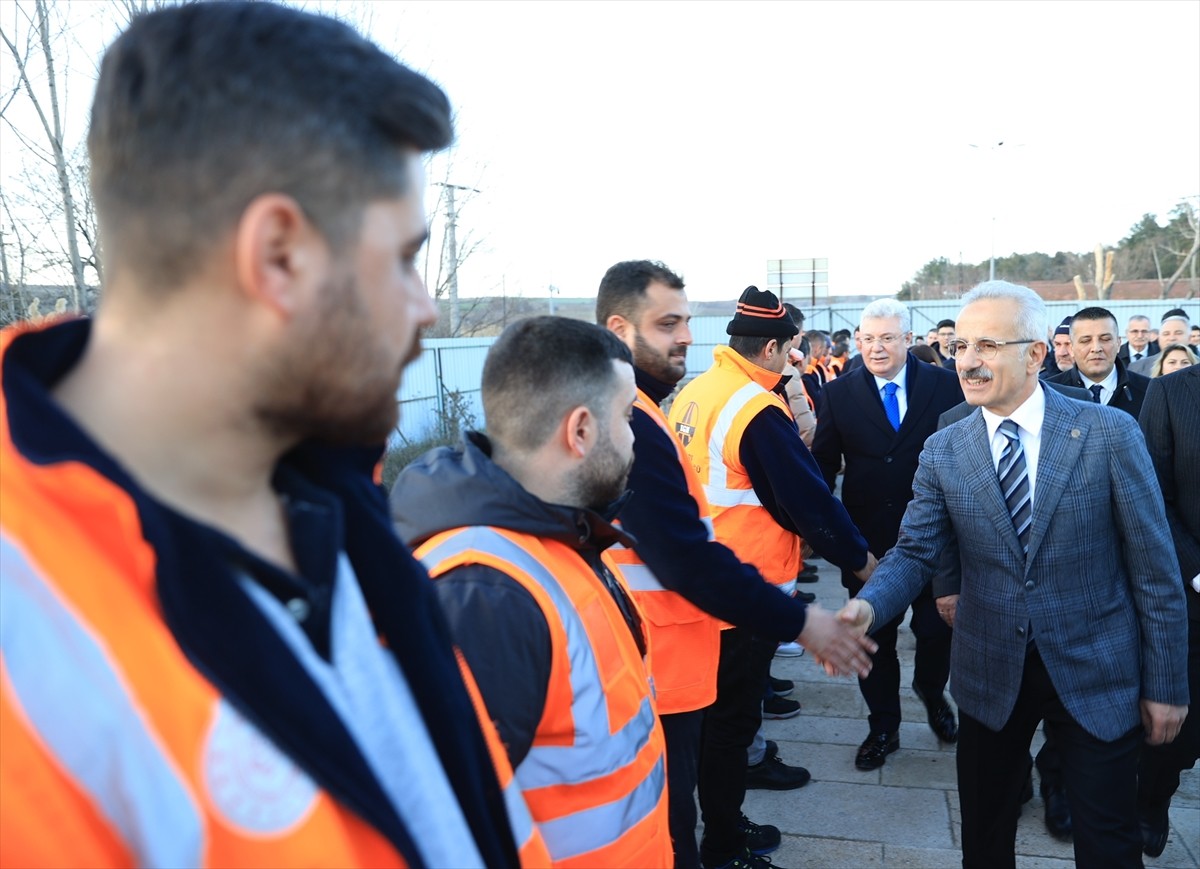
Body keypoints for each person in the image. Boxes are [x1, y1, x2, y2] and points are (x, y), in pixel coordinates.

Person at [0, 4, 543, 867]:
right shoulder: (29, 655)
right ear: (280, 256)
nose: (428, 306)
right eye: (405, 259)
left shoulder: (333, 502)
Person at [841, 280, 1189, 868]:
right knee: (985, 834)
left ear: (1033, 355)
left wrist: (1165, 684)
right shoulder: (944, 449)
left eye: (988, 346)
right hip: (988, 669)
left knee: (1108, 842)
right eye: (961, 347)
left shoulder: (1107, 434)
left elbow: (1155, 569)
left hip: (1096, 669)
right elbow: (915, 550)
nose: (969, 361)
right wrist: (868, 607)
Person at [594, 263, 875, 867]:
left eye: (688, 322)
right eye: (669, 323)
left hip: (691, 622)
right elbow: (799, 505)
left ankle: (717, 837)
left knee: (703, 753)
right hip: (701, 614)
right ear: (619, 328)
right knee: (703, 764)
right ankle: (719, 845)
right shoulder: (656, 415)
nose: (688, 337)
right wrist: (812, 614)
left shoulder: (689, 393)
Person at [391, 317, 672, 868]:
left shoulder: (558, 540)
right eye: (628, 416)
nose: (636, 435)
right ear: (581, 431)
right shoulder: (485, 593)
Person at [812, 299, 962, 771]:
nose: (877, 347)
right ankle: (883, 726)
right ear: (858, 342)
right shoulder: (838, 395)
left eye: (887, 338)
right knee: (873, 637)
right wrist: (837, 541)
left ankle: (932, 690)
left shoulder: (944, 385)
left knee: (937, 631)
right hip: (868, 544)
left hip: (938, 539)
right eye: (869, 338)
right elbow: (822, 471)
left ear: (906, 340)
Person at [1137, 367, 1200, 858]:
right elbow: (1152, 496)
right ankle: (1152, 802)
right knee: (1178, 739)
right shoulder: (1172, 392)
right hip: (1193, 596)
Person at [1048, 306, 1150, 417]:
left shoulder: (1148, 390)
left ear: (1118, 343)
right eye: (1085, 341)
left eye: (1105, 339)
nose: (1096, 348)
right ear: (1072, 348)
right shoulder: (1050, 392)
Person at [1130, 311, 1191, 376]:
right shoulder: (1136, 368)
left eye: (1178, 333)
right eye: (1166, 334)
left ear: (1189, 337)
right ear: (1159, 338)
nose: (1171, 338)